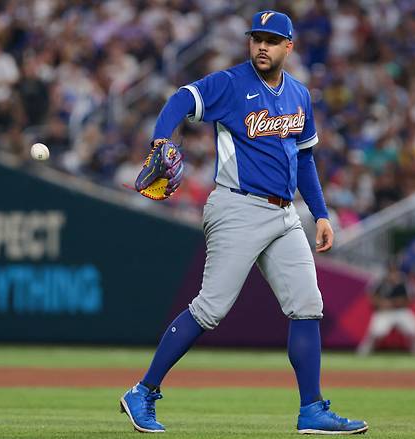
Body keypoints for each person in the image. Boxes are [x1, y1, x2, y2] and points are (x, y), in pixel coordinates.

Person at [120, 10, 368, 435]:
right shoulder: (231, 84)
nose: (261, 47)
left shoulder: (299, 95)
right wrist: (162, 138)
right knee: (210, 309)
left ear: (288, 46)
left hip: (285, 214)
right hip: (237, 208)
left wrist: (322, 214)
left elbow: (304, 158)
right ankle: (142, 392)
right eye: (256, 38)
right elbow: (181, 98)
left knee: (308, 305)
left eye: (271, 40)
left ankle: (312, 410)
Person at [357, 262, 415, 356]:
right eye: (390, 270)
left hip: (401, 311)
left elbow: (411, 297)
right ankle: (363, 353)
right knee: (376, 333)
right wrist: (381, 303)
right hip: (384, 312)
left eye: (394, 270)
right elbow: (371, 295)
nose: (392, 273)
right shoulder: (380, 279)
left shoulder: (404, 280)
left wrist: (395, 302)